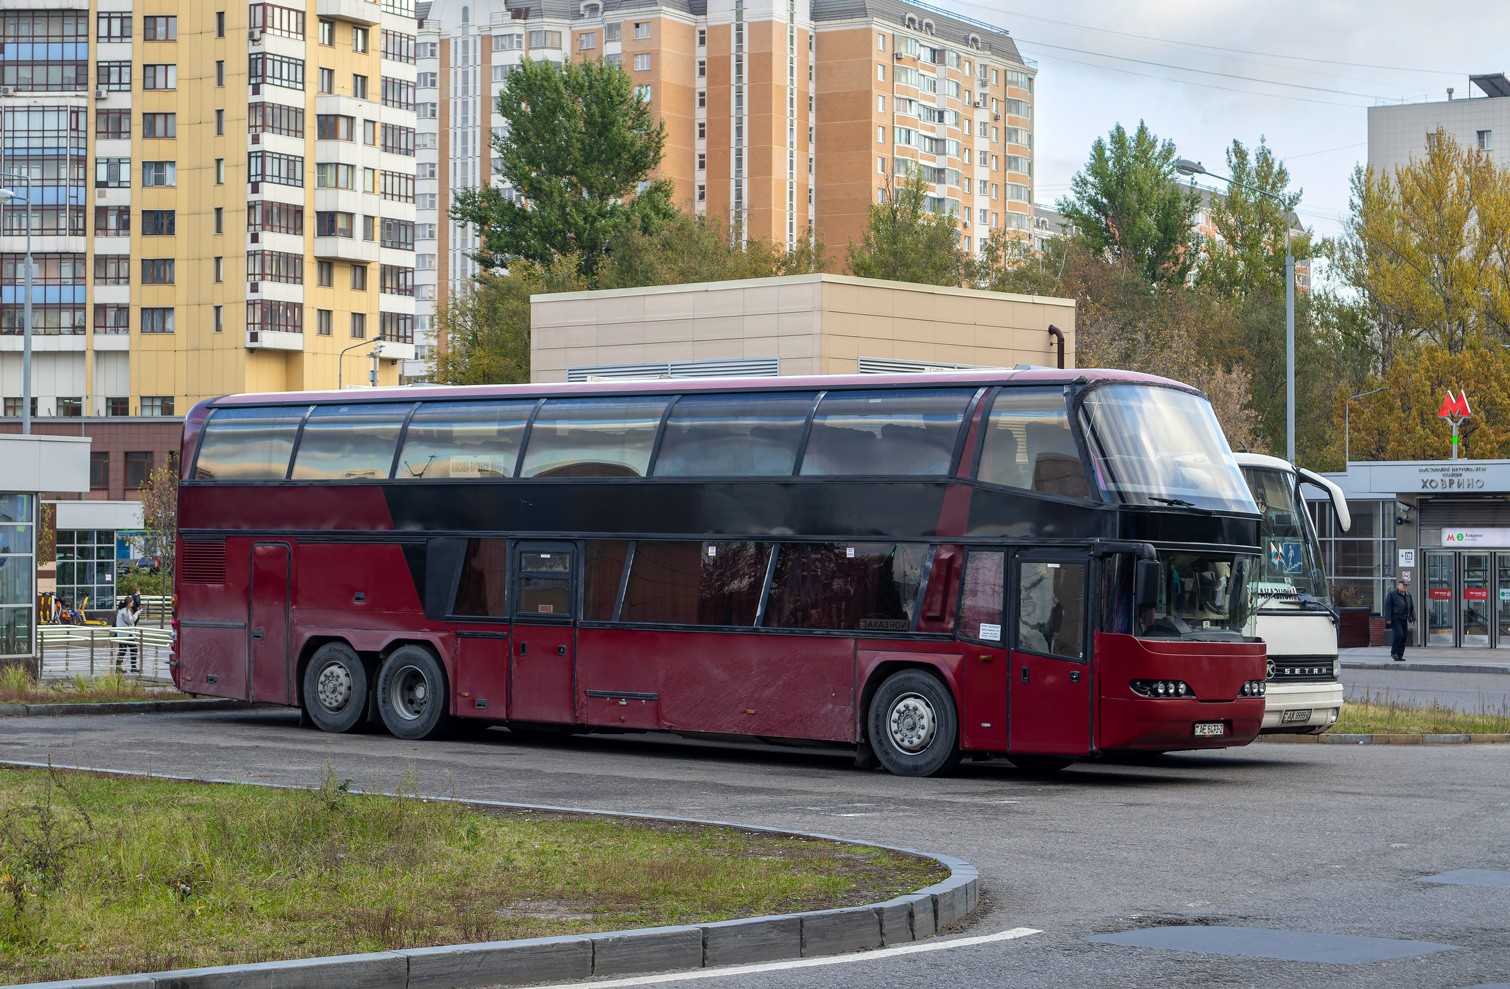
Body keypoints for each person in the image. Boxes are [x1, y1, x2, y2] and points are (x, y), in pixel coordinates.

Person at [1383, 576, 1416, 662]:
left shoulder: (1408, 595)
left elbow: (1411, 607)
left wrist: (1413, 618)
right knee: (1399, 634)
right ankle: (1394, 652)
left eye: (1406, 585)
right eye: (1403, 585)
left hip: (1404, 618)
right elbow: (1387, 607)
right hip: (1395, 618)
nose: (1405, 587)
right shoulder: (1393, 594)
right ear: (1399, 585)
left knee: (1404, 637)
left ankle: (1399, 655)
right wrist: (1388, 618)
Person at [114, 595, 141, 672]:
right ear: (128, 603)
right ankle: (133, 666)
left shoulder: (121, 610)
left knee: (123, 650)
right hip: (126, 633)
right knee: (134, 649)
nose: (132, 604)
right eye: (132, 603)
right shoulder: (125, 611)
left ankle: (118, 667)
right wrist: (136, 614)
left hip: (122, 633)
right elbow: (130, 621)